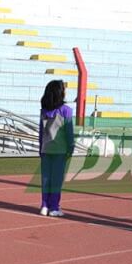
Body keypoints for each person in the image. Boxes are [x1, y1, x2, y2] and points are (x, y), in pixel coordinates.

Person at [38, 80, 74, 217]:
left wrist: (40, 148)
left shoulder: (44, 111)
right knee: (56, 180)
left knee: (46, 179)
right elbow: (68, 131)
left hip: (46, 149)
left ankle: (44, 205)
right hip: (60, 150)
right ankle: (54, 207)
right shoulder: (66, 110)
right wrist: (71, 146)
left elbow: (41, 131)